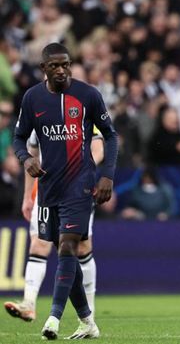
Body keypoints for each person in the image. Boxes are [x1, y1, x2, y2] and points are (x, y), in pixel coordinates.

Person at [12, 43, 118, 340]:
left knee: (69, 246)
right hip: (48, 188)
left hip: (81, 185)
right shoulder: (32, 98)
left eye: (66, 64)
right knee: (63, 252)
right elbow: (19, 139)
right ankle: (87, 322)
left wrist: (107, 176)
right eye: (55, 66)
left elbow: (110, 135)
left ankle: (53, 319)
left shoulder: (88, 95)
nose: (61, 70)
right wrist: (26, 159)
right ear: (43, 68)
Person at [4, 126, 103, 322]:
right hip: (46, 192)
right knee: (38, 243)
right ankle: (28, 304)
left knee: (82, 248)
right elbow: (32, 158)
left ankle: (88, 310)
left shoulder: (80, 107)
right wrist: (27, 196)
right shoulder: (37, 115)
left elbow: (99, 149)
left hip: (77, 190)